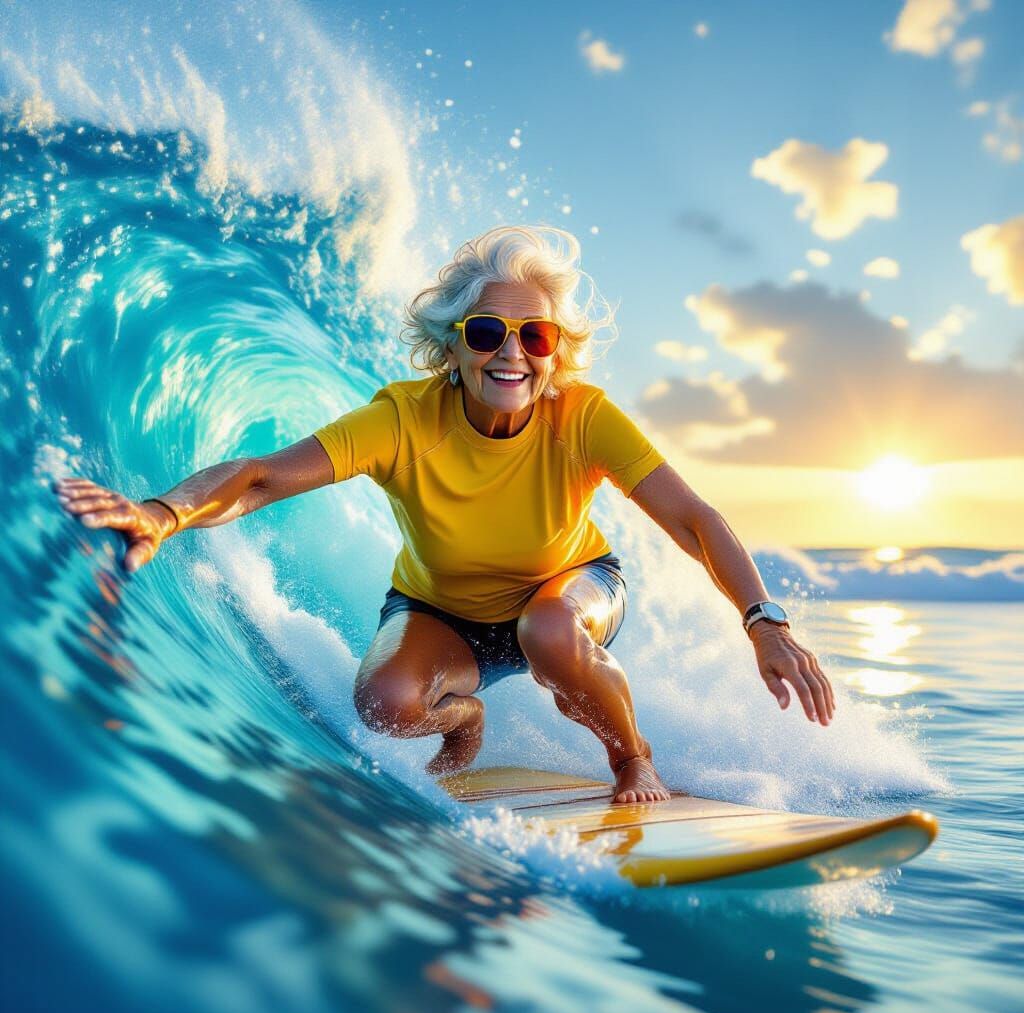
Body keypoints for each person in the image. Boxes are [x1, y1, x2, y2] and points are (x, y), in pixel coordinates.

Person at [54, 225, 836, 803]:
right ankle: (465, 720)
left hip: (572, 587)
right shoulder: (404, 418)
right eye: (488, 332)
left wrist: (765, 622)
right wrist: (163, 512)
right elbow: (262, 479)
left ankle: (633, 757)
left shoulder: (585, 418)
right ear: (454, 347)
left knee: (551, 636)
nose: (512, 353)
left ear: (555, 352)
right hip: (441, 609)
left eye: (534, 336)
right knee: (385, 707)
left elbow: (693, 517)